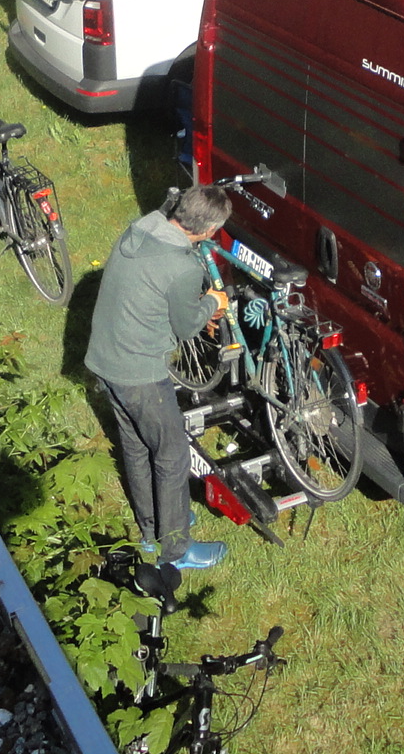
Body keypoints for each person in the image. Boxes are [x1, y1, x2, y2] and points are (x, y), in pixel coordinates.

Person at [86, 185, 235, 567]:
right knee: (172, 455)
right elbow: (187, 327)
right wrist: (212, 302)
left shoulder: (142, 227)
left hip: (105, 358)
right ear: (207, 232)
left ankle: (152, 530)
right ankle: (176, 550)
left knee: (137, 447)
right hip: (139, 373)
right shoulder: (183, 267)